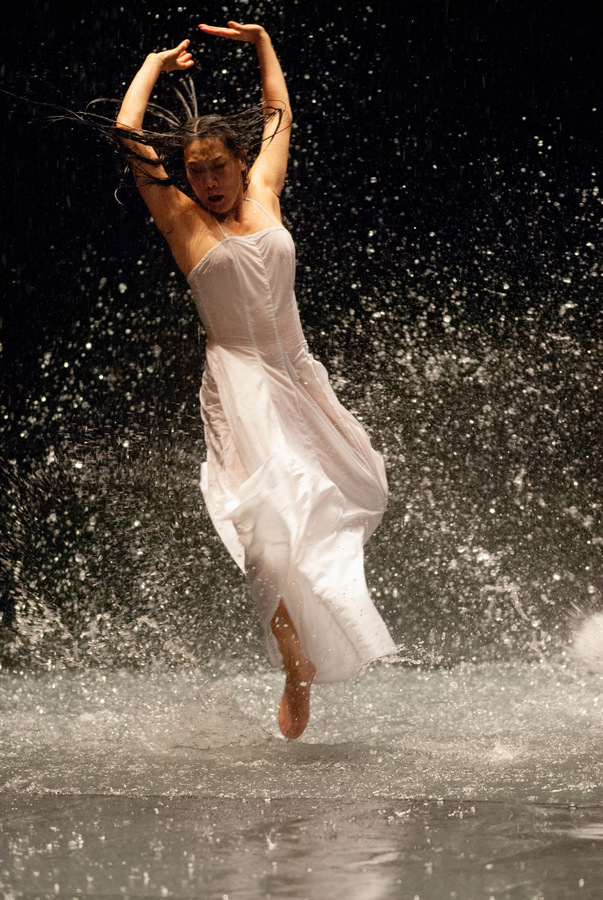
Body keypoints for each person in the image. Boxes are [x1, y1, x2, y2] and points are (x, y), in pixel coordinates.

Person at [116, 21, 397, 739]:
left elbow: (279, 113)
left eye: (218, 168)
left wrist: (265, 43)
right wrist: (152, 64)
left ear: (241, 163)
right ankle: (295, 661)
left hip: (295, 373)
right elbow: (127, 133)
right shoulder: (182, 220)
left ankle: (318, 623)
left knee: (355, 488)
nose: (207, 183)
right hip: (239, 383)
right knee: (261, 525)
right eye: (195, 172)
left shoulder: (265, 196)